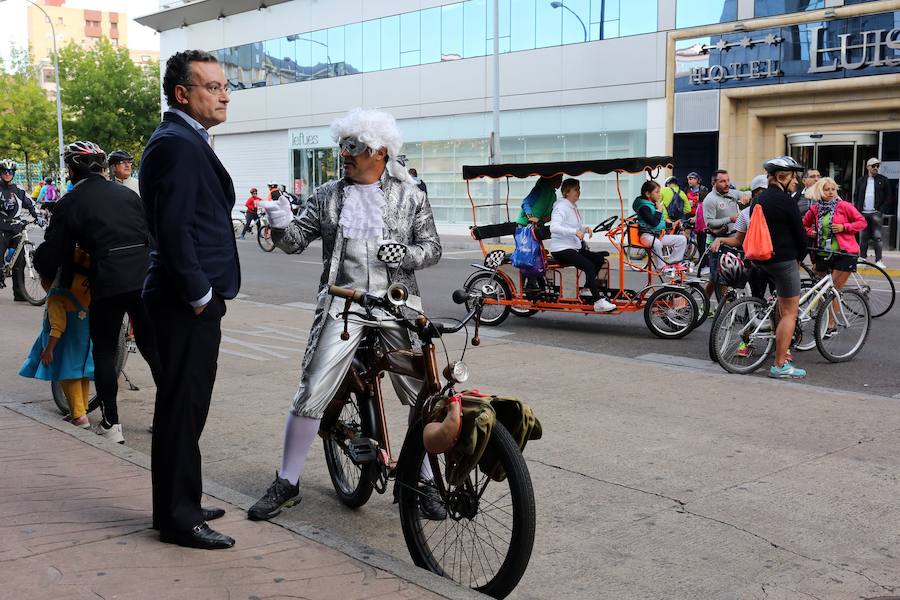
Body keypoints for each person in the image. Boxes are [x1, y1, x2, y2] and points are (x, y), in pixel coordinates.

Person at [251, 108, 442, 523]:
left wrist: (407, 254)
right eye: (343, 146)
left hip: (397, 303)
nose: (345, 154)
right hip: (344, 302)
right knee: (313, 386)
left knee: (423, 392)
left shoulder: (411, 195)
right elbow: (295, 241)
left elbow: (433, 247)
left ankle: (423, 479)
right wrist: (281, 223)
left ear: (381, 151)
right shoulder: (327, 195)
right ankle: (288, 481)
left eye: (354, 147)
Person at [139, 50, 241, 551]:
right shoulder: (178, 144)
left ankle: (182, 502)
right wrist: (200, 294)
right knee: (181, 407)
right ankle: (178, 519)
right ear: (183, 94)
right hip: (185, 300)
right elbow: (173, 228)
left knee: (186, 406)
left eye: (226, 86)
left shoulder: (184, 139)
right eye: (213, 86)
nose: (224, 94)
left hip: (188, 297)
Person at [34, 141, 161, 445]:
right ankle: (168, 414)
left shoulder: (71, 202)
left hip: (108, 280)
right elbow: (150, 234)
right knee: (153, 348)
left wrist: (41, 263)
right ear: (103, 167)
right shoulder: (128, 194)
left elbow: (54, 253)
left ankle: (111, 423)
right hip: (145, 276)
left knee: (103, 351)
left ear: (71, 169)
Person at [19, 248, 94, 429]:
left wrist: (48, 350)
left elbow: (58, 327)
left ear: (46, 279)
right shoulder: (81, 289)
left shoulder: (56, 296)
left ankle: (79, 416)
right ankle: (80, 409)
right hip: (84, 343)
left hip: (64, 346)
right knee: (81, 376)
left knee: (68, 378)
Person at [755, 156, 808, 379]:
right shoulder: (786, 201)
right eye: (793, 177)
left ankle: (777, 348)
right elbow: (800, 235)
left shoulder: (759, 200)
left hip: (761, 259)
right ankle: (779, 365)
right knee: (790, 313)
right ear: (781, 177)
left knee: (780, 305)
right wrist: (801, 257)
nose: (796, 182)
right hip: (784, 261)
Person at [803, 177, 866, 331]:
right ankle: (821, 321)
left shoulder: (844, 206)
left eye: (833, 189)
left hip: (845, 253)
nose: (831, 192)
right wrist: (811, 232)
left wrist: (844, 227)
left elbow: (862, 222)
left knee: (833, 290)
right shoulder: (815, 209)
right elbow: (803, 225)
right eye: (826, 189)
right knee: (820, 289)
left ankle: (830, 325)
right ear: (820, 191)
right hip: (823, 253)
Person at [549, 178, 615, 312]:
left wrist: (584, 229)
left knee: (598, 259)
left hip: (572, 247)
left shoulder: (572, 206)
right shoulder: (561, 207)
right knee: (589, 266)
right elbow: (554, 227)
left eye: (579, 189)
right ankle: (598, 302)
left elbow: (574, 227)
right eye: (576, 189)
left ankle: (586, 289)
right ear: (567, 192)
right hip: (561, 249)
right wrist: (575, 231)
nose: (579, 192)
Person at [0, 158, 42, 297]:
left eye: (10, 172)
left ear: (13, 173)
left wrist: (38, 216)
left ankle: (19, 293)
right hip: (1, 228)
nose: (7, 174)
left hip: (16, 228)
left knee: (19, 263)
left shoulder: (19, 190)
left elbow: (30, 204)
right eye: (5, 171)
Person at [703, 169, 744, 299]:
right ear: (714, 183)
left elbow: (746, 193)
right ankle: (724, 311)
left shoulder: (731, 193)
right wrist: (730, 219)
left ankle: (702, 306)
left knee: (715, 278)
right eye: (722, 181)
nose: (727, 184)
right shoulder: (710, 200)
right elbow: (709, 223)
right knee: (721, 279)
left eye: (728, 180)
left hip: (731, 242)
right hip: (717, 244)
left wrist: (746, 196)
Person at [632, 180, 687, 272]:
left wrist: (673, 224)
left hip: (658, 235)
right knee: (656, 243)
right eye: (657, 192)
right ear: (648, 194)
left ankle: (673, 263)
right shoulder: (643, 207)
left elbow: (660, 223)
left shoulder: (653, 205)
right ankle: (661, 267)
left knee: (682, 239)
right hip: (646, 236)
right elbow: (654, 223)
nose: (659, 195)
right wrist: (659, 210)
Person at [854, 158, 891, 269]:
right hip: (863, 213)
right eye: (873, 165)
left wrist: (881, 210)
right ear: (868, 167)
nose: (875, 168)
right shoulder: (861, 180)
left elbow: (889, 197)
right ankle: (862, 258)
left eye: (877, 166)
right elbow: (856, 195)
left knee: (877, 237)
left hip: (876, 213)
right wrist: (857, 209)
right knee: (863, 237)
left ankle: (878, 260)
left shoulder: (883, 180)